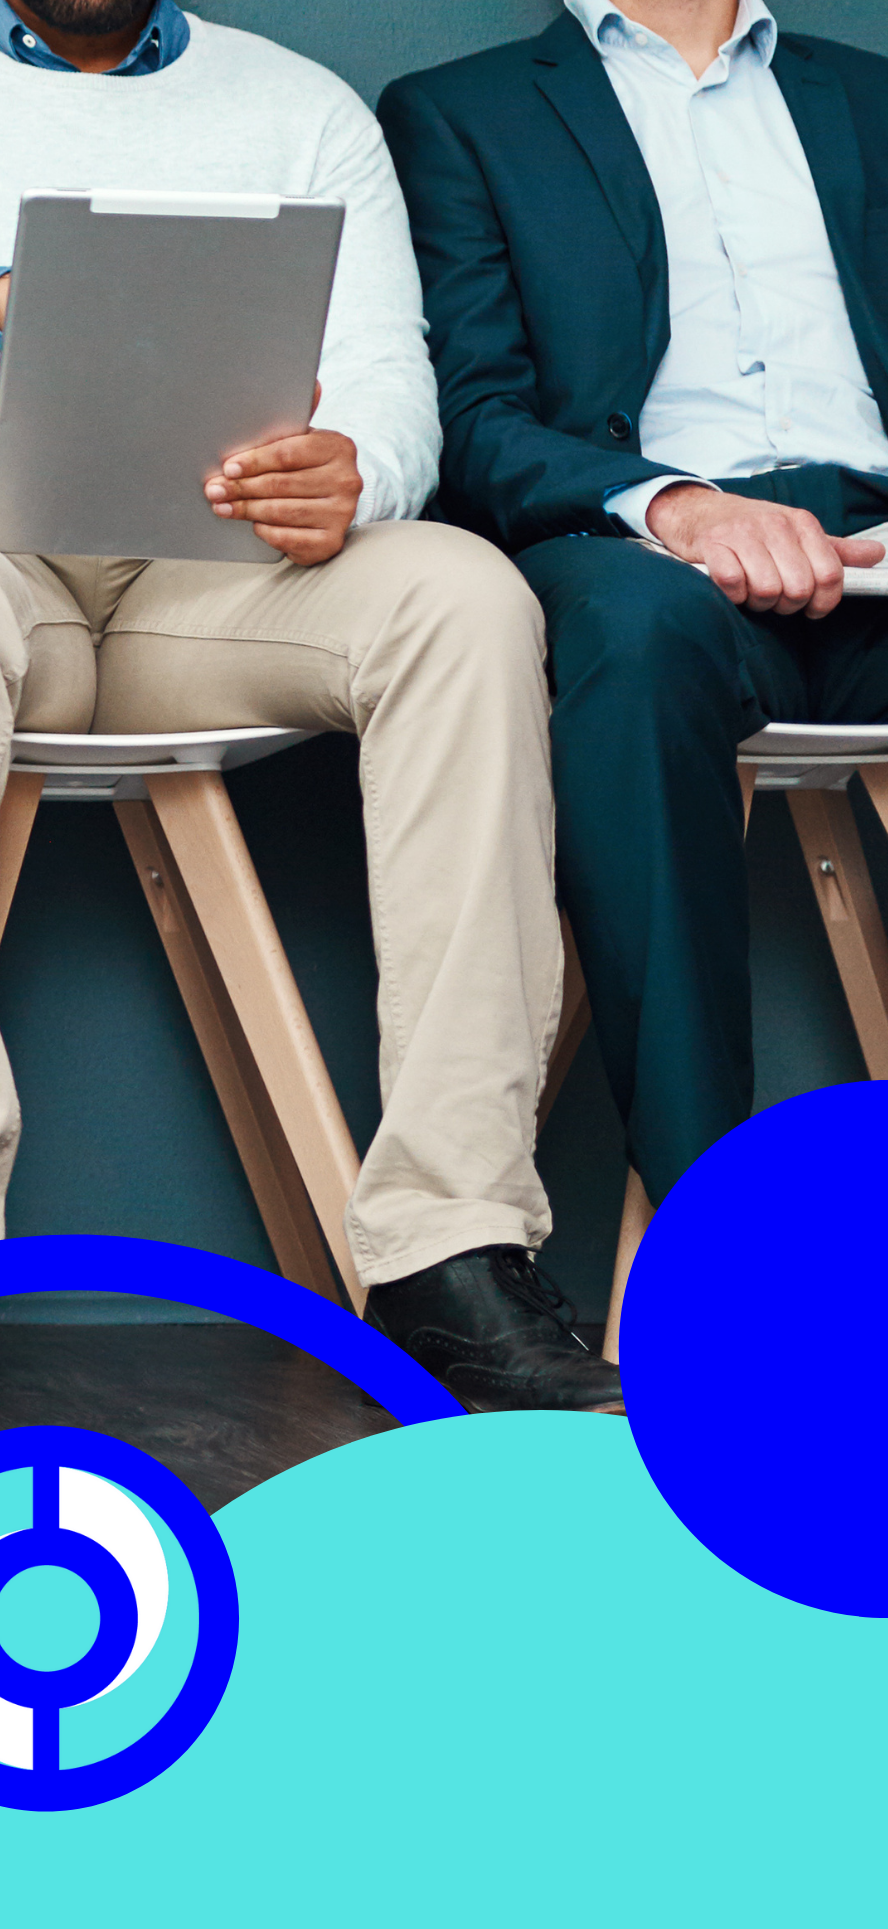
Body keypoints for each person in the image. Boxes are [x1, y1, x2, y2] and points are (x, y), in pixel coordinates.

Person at [0, 0, 621, 1426]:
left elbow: (395, 387)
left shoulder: (304, 108)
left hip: (211, 569)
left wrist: (356, 471)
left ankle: (453, 1244)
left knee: (464, 597)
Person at [384, 2, 888, 1209]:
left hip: (873, 525)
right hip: (642, 548)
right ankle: (717, 1233)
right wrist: (680, 508)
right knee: (633, 636)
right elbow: (468, 420)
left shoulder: (868, 95)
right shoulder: (463, 112)